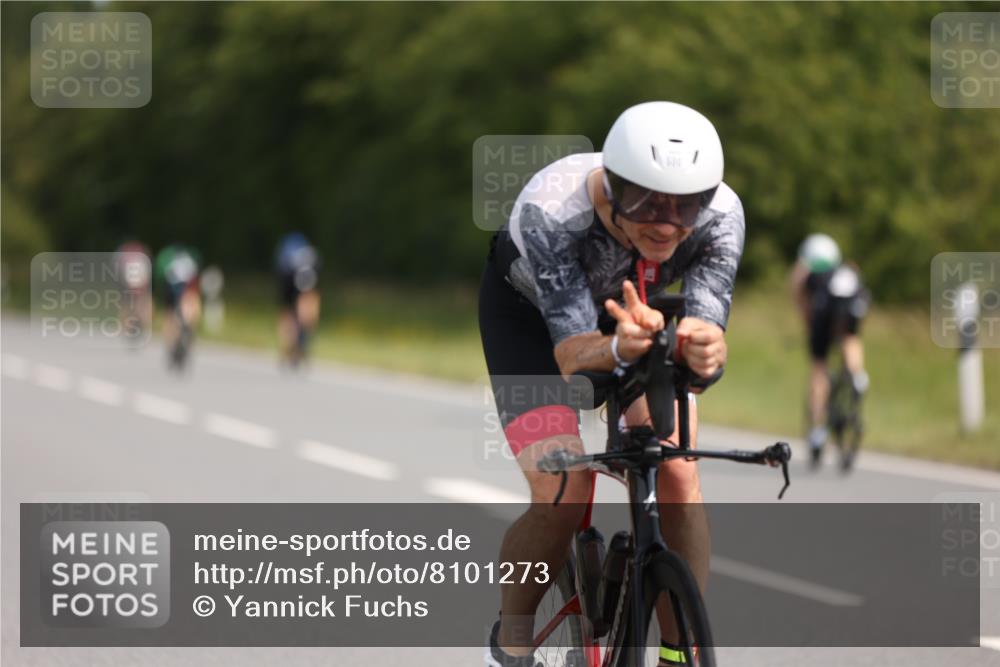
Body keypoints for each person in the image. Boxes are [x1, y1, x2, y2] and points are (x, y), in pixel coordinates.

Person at [479, 101, 744, 667]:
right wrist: (618, 347)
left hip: (644, 319)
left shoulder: (722, 214)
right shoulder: (553, 209)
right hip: (532, 324)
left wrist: (706, 348)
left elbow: (703, 334)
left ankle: (679, 653)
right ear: (612, 185)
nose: (668, 221)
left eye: (686, 205)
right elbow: (575, 355)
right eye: (646, 200)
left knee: (675, 468)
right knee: (563, 491)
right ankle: (513, 642)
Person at [789, 233, 870, 464]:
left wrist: (810, 327)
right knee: (849, 336)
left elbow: (801, 299)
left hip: (824, 308)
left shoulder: (805, 271)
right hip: (854, 299)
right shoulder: (847, 269)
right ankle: (857, 375)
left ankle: (816, 431)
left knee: (819, 366)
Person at [274, 232, 321, 367]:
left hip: (289, 273)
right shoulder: (310, 261)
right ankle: (296, 344)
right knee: (297, 310)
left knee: (291, 312)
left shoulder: (309, 263)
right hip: (290, 274)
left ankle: (295, 345)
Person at [154, 244, 202, 370]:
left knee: (169, 316)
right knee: (192, 308)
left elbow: (160, 276)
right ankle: (189, 331)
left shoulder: (166, 257)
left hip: (172, 289)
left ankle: (170, 346)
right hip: (189, 290)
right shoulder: (191, 256)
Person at [115, 240, 152, 345]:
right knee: (142, 302)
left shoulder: (124, 254)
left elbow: (118, 270)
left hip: (128, 281)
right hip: (140, 281)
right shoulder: (142, 254)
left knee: (126, 304)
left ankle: (125, 327)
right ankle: (143, 325)